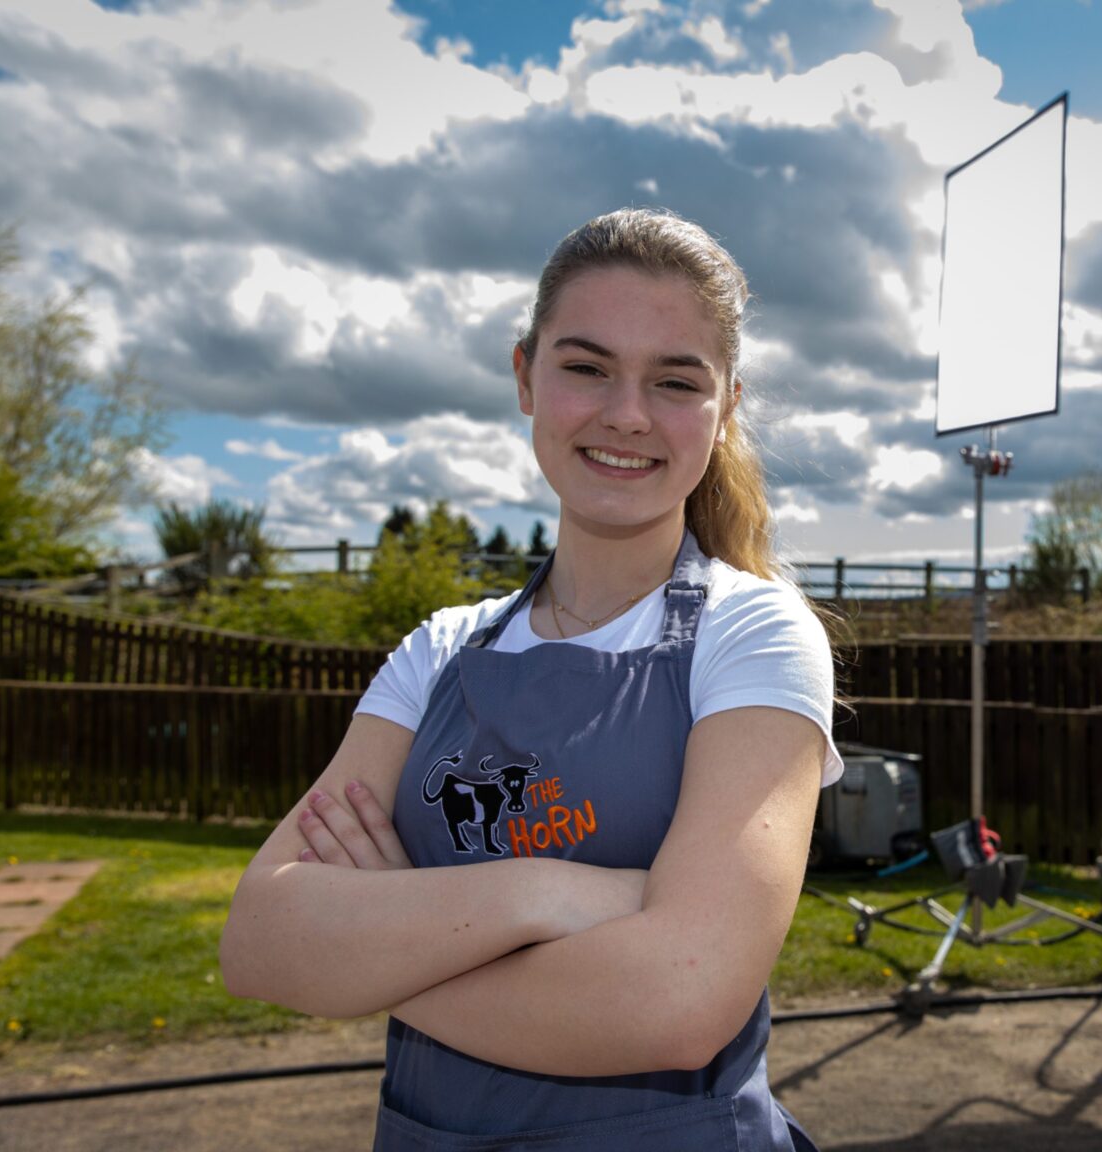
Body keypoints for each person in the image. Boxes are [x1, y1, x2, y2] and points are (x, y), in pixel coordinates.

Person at [219, 208, 842, 1150]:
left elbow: (680, 1001)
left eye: (676, 381)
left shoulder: (753, 634)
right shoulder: (439, 650)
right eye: (586, 367)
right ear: (525, 376)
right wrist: (543, 893)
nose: (627, 413)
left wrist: (379, 947)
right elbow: (261, 938)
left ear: (723, 413)